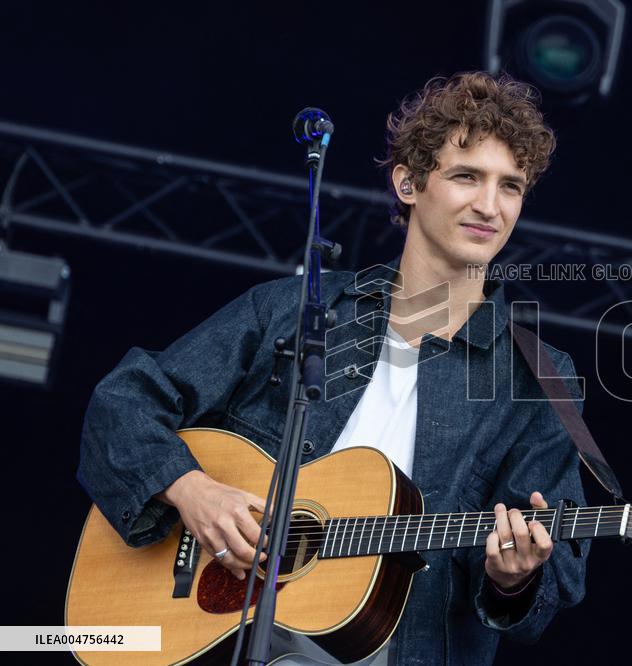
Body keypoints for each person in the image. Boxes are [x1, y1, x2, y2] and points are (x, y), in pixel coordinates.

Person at [78, 71, 588, 665]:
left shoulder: (541, 378)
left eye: (511, 187)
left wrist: (514, 577)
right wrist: (193, 491)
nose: (489, 206)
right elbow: (123, 402)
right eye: (466, 176)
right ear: (408, 182)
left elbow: (557, 582)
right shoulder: (294, 311)